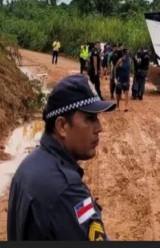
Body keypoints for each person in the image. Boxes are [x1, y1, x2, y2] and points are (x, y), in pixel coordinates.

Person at [7, 75, 116, 240]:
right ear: (62, 126)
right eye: (90, 119)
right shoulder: (67, 190)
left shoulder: (28, 165)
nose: (99, 128)